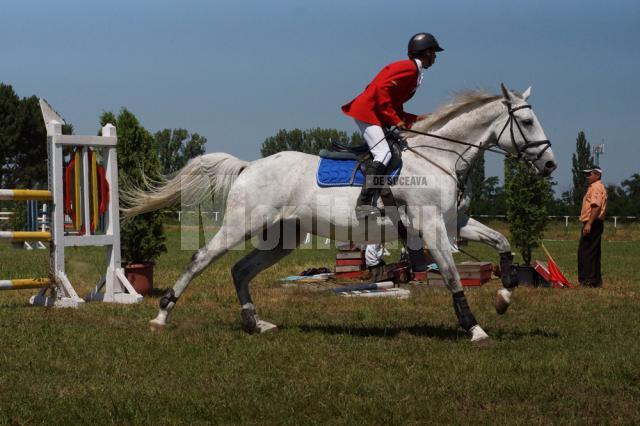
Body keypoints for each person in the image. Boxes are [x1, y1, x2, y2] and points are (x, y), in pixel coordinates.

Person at [342, 32, 443, 219]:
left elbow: (395, 105)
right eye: (433, 52)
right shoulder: (409, 68)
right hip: (367, 111)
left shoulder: (415, 73)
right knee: (383, 153)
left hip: (377, 112)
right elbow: (382, 91)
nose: (435, 56)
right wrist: (395, 120)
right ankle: (363, 203)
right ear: (425, 52)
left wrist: (419, 119)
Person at [578, 167, 608, 287]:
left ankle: (587, 281)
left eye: (589, 174)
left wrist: (589, 223)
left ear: (597, 175)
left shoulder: (595, 187)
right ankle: (595, 280)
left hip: (592, 223)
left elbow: (596, 206)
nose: (587, 176)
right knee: (594, 252)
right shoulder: (598, 186)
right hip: (596, 223)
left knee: (586, 252)